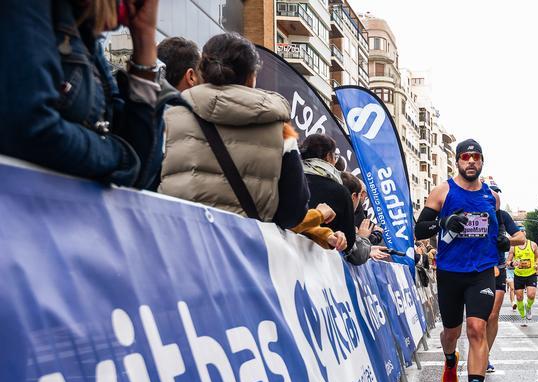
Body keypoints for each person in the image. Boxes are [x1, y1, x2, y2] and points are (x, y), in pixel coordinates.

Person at [1, 0, 165, 189]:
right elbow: (29, 126)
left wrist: (145, 37)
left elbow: (140, 172)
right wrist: (120, 156)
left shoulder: (86, 39)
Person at [160, 33, 309, 230]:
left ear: (201, 69)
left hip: (179, 240)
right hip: (246, 250)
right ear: (251, 78)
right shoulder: (281, 131)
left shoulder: (167, 118)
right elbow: (294, 210)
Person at [414, 139, 504, 382]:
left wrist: (502, 241)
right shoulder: (443, 191)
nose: (471, 162)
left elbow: (498, 231)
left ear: (482, 162)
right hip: (451, 272)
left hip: (481, 272)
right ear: (457, 161)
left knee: (477, 328)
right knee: (451, 333)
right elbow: (419, 229)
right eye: (466, 157)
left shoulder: (492, 197)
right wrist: (443, 223)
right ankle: (450, 359)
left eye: (476, 157)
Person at [485, 180, 527, 373]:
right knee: (477, 319)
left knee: (493, 315)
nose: (495, 196)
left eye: (497, 193)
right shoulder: (472, 214)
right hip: (475, 270)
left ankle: (484, 356)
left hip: (498, 269)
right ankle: (475, 351)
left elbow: (521, 238)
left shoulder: (502, 217)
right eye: (491, 192)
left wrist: (506, 241)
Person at [300, 133, 358, 256]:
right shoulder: (341, 192)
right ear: (328, 157)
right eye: (335, 156)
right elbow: (348, 243)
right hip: (319, 266)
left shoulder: (286, 178)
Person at [509, 239, 538, 326]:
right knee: (519, 298)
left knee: (531, 295)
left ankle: (528, 307)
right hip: (518, 275)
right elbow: (508, 262)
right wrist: (512, 263)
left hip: (531, 274)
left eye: (523, 231)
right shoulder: (513, 247)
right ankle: (523, 317)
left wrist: (537, 263)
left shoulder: (533, 244)